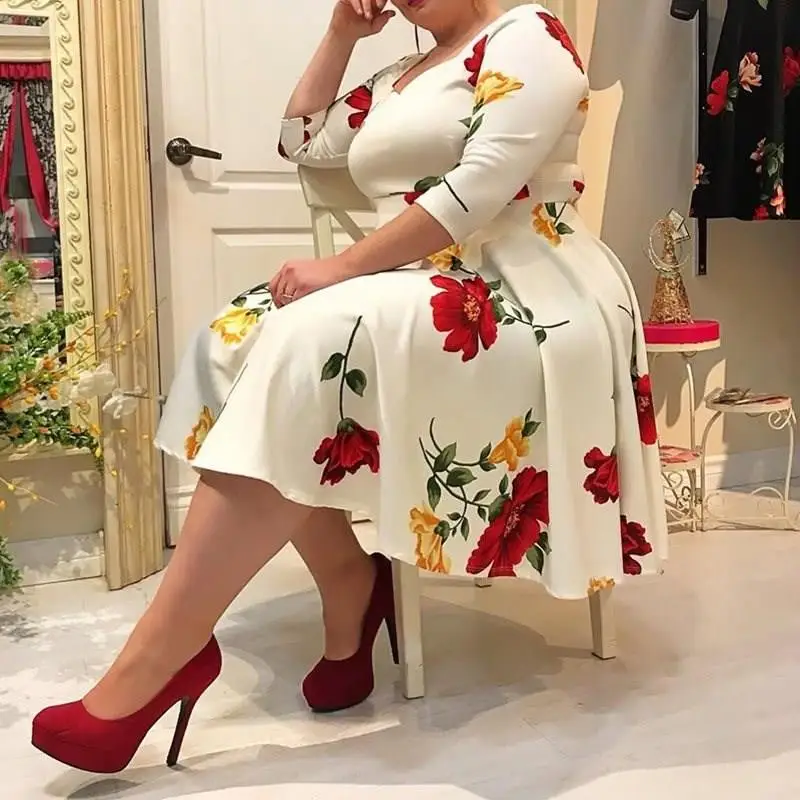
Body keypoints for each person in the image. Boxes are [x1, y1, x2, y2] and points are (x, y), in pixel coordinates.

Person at [32, 0, 667, 775]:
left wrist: (340, 268)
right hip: (419, 282)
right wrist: (340, 34)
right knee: (229, 341)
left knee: (306, 344)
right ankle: (350, 581)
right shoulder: (401, 76)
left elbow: (479, 189)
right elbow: (299, 138)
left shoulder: (528, 35)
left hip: (526, 290)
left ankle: (164, 653)